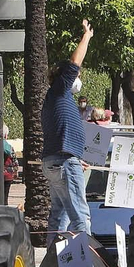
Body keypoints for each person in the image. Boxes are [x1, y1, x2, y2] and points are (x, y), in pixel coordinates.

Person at [41, 20, 94, 236]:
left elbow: (60, 133)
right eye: (76, 76)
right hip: (64, 163)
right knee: (81, 216)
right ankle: (87, 256)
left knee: (59, 215)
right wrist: (87, 36)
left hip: (57, 161)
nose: (78, 79)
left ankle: (54, 256)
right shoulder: (60, 90)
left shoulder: (57, 99)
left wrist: (75, 158)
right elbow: (74, 62)